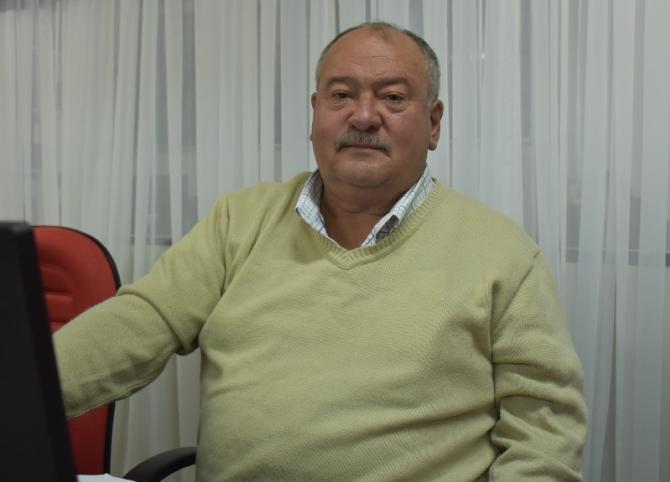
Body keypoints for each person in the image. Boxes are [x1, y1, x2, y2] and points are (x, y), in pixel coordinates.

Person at [54, 22, 587, 481]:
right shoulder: (240, 221)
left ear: (433, 123)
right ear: (315, 113)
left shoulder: (501, 253)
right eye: (341, 95)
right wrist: (25, 388)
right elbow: (140, 322)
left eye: (392, 97)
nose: (363, 116)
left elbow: (544, 428)